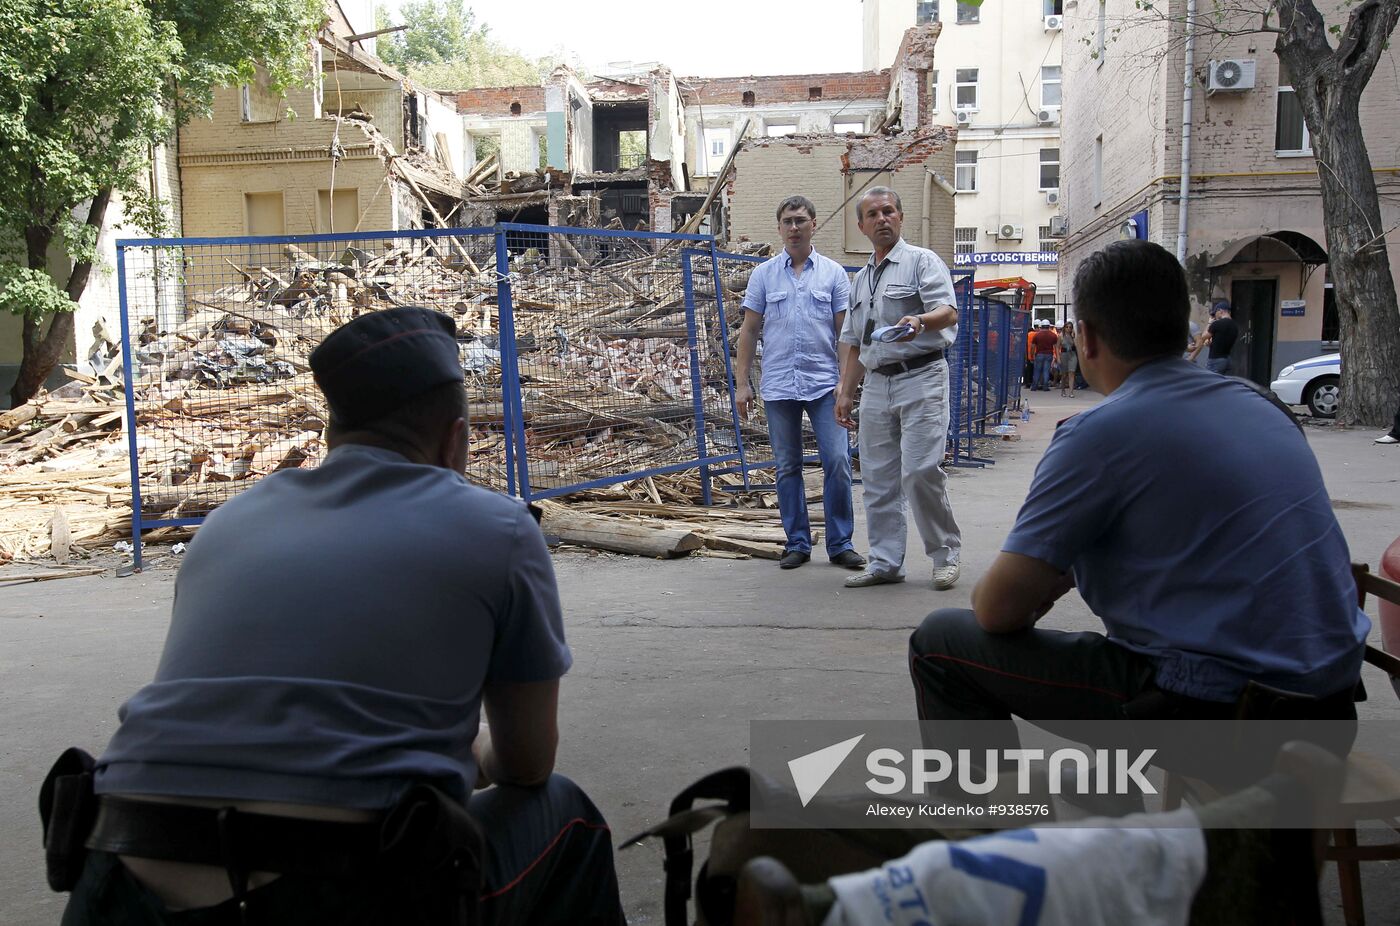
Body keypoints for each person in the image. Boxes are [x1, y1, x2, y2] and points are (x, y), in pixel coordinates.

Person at [51, 307, 626, 925]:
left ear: (333, 433)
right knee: (564, 813)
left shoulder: (228, 522)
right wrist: (476, 751)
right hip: (336, 890)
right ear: (456, 439)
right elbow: (527, 763)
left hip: (114, 875)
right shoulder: (501, 529)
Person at [907, 240, 1368, 757]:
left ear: (1085, 337)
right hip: (1330, 704)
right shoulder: (1260, 404)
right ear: (1184, 328)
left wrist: (1062, 568)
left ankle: (995, 809)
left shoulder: (1097, 434)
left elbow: (995, 611)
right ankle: (1107, 796)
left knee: (941, 640)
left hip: (1224, 714)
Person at [835, 187, 962, 591]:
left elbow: (948, 311)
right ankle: (885, 562)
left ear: (900, 217)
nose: (882, 219)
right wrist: (845, 392)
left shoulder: (922, 262)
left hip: (922, 376)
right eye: (872, 214)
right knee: (877, 477)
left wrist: (920, 322)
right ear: (861, 226)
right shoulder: (860, 281)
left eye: (889, 211)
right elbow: (855, 341)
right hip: (877, 384)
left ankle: (945, 556)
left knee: (921, 471)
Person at [736, 196, 865, 571]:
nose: (794, 227)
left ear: (813, 225)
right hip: (779, 384)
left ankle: (840, 544)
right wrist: (742, 384)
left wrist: (845, 383)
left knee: (837, 460)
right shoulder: (764, 275)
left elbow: (845, 334)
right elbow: (749, 330)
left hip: (824, 385)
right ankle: (797, 543)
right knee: (787, 465)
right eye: (788, 221)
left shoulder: (833, 274)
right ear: (779, 228)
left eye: (801, 221)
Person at [1189, 301, 1239, 374]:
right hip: (1226, 359)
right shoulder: (1234, 325)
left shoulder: (1217, 323)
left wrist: (1210, 322)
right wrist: (1211, 343)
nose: (1214, 316)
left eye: (1215, 313)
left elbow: (1202, 337)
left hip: (1215, 360)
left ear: (1220, 311)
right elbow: (1222, 341)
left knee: (1209, 379)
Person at [1030, 319, 1060, 390]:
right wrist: (1056, 356)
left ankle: (1034, 386)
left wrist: (1032, 356)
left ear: (1041, 326)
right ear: (1048, 326)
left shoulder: (1037, 335)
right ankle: (1045, 386)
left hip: (1039, 354)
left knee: (1037, 370)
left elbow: (1033, 347)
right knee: (1046, 370)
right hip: (1049, 354)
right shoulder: (1053, 335)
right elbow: (1056, 347)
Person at [1057, 320, 1078, 397]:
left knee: (1072, 373)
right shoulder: (1061, 336)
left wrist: (1073, 337)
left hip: (1072, 355)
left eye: (1070, 327)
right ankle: (1063, 390)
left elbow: (1076, 345)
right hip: (1064, 355)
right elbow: (1057, 347)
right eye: (1067, 327)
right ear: (1064, 328)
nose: (1068, 328)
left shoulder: (1073, 336)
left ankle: (1071, 392)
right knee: (1064, 374)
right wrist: (1058, 357)